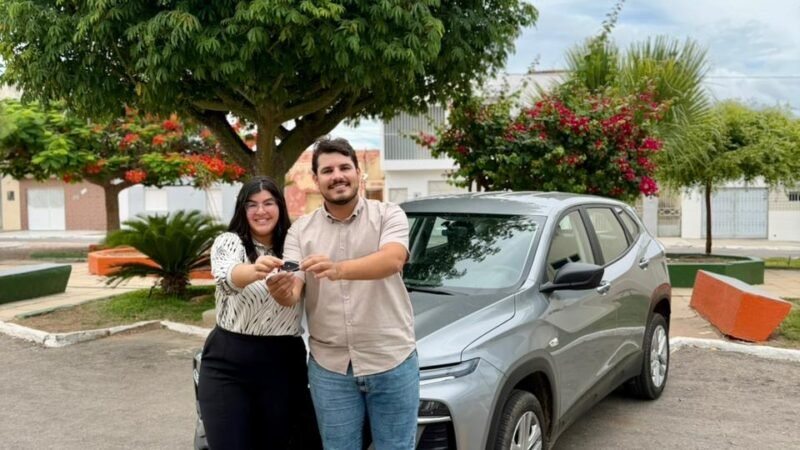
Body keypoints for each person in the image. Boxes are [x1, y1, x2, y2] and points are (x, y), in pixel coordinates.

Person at [268, 138, 419, 450]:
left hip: (391, 359)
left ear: (358, 172)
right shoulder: (300, 231)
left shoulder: (389, 214)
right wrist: (282, 290)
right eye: (327, 170)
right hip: (330, 367)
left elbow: (393, 259)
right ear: (315, 179)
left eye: (344, 167)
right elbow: (293, 288)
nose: (337, 175)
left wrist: (337, 269)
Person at [197, 176, 320, 450]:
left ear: (280, 206)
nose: (260, 211)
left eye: (268, 203)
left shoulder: (295, 245)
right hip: (228, 360)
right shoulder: (229, 242)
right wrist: (256, 269)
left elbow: (296, 296)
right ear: (242, 209)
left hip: (283, 363)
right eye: (252, 204)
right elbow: (228, 276)